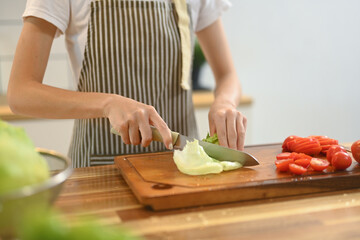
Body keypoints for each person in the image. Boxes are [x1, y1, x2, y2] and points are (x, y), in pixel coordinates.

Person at [7, 0, 247, 168]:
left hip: (185, 168)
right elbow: (21, 93)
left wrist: (224, 103)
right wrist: (108, 103)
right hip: (101, 174)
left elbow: (227, 75)